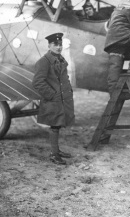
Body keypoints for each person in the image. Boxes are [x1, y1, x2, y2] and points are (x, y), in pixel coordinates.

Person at [32, 33, 75, 165]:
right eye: (55, 45)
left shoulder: (60, 59)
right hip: (53, 100)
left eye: (60, 44)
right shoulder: (44, 62)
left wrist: (69, 91)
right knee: (54, 126)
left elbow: (64, 77)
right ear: (49, 46)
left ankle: (56, 150)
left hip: (62, 99)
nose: (58, 47)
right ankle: (54, 154)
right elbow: (38, 82)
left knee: (58, 124)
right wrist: (52, 95)